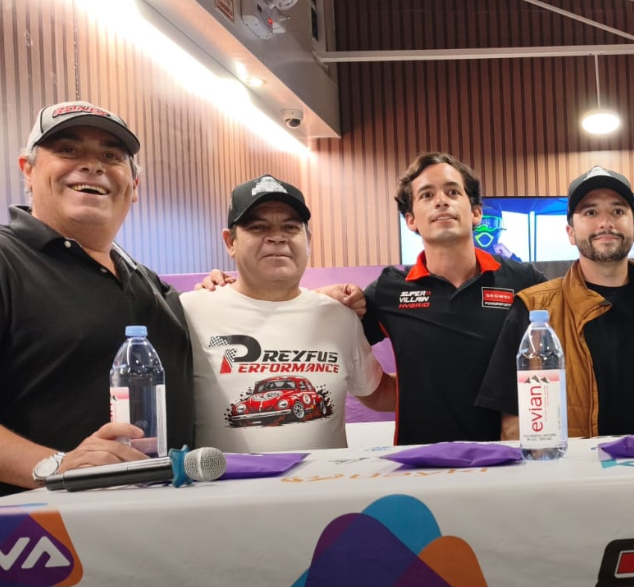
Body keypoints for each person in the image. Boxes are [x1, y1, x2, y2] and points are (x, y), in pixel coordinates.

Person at [361, 152, 634, 445]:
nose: (441, 202)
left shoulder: (524, 285)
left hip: (501, 461)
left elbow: (582, 298)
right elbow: (345, 351)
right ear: (410, 219)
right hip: (420, 463)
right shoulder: (389, 289)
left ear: (476, 212)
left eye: (453, 192)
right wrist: (336, 300)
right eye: (427, 195)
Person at [0, 102, 194, 493]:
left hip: (162, 519)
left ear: (134, 186)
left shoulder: (151, 285)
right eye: (68, 150)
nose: (92, 165)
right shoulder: (7, 260)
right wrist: (56, 467)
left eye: (111, 156)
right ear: (28, 171)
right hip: (41, 528)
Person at [180, 175, 396, 452]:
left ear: (308, 241)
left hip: (328, 479)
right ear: (230, 241)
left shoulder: (339, 316)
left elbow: (378, 393)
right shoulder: (190, 311)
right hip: (226, 481)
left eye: (291, 227)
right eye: (258, 227)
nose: (277, 237)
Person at [476, 166, 634, 439]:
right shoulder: (533, 309)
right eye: (590, 212)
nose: (605, 222)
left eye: (618, 211)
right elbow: (512, 420)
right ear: (570, 232)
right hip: (570, 467)